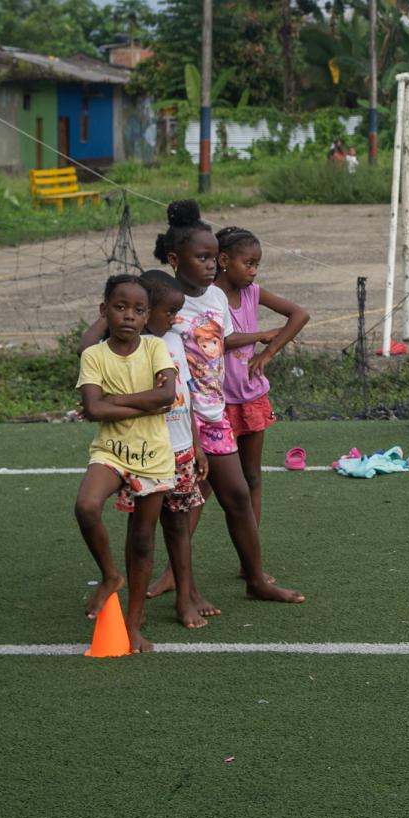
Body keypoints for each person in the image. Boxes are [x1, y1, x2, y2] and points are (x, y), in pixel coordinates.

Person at [156, 201, 302, 605]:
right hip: (180, 421)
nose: (209, 267)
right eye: (201, 258)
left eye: (211, 259)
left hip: (214, 414)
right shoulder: (164, 304)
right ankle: (183, 586)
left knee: (237, 495)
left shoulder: (216, 300)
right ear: (174, 259)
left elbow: (216, 347)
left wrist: (262, 341)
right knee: (180, 505)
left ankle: (256, 579)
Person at [73, 274, 179, 653]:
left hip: (153, 455)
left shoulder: (155, 348)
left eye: (138, 310)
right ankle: (109, 575)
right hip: (111, 451)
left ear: (147, 315)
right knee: (85, 506)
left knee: (142, 539)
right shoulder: (94, 355)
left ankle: (134, 623)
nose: (128, 316)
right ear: (104, 311)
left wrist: (115, 400)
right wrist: (144, 399)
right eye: (119, 307)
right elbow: (92, 407)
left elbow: (168, 395)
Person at [216, 225, 310, 524]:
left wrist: (268, 352)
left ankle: (251, 550)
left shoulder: (253, 292)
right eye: (249, 263)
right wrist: (261, 335)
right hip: (216, 402)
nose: (254, 271)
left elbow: (300, 315)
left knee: (252, 476)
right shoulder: (209, 298)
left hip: (251, 396)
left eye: (257, 265)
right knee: (207, 483)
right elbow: (219, 341)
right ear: (223, 261)